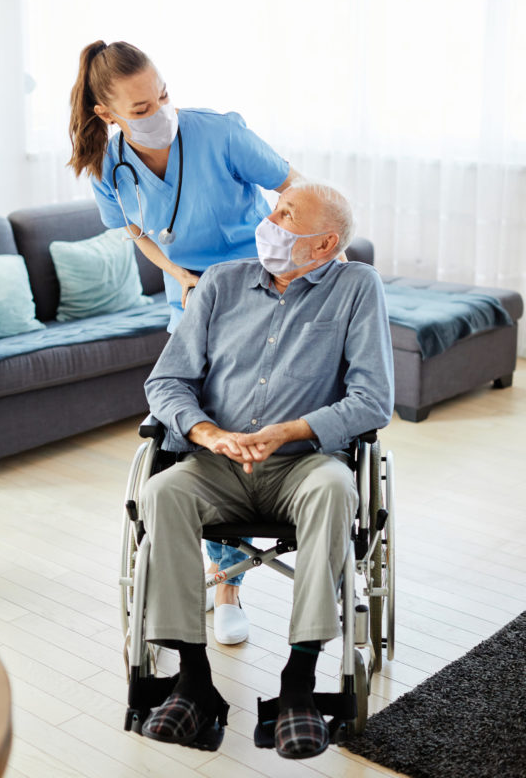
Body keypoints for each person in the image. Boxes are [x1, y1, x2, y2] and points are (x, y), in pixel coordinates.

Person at [139, 183, 394, 759]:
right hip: (216, 463)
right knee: (162, 493)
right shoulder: (222, 283)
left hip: (303, 466)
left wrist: (289, 429)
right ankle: (194, 682)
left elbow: (373, 399)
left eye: (286, 215)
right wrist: (206, 432)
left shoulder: (356, 288)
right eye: (275, 210)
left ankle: (297, 685)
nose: (270, 220)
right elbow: (167, 381)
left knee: (335, 488)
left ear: (324, 242)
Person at [68, 40, 300, 644]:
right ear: (106, 113)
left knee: (267, 403)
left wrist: (287, 259)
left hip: (264, 283)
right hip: (194, 296)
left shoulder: (219, 135)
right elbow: (138, 233)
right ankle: (226, 584)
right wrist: (184, 279)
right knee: (202, 418)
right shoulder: (106, 166)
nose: (161, 109)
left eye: (163, 94)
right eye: (142, 105)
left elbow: (293, 188)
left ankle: (287, 492)